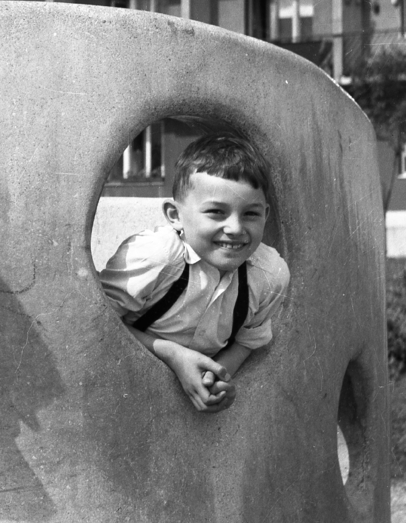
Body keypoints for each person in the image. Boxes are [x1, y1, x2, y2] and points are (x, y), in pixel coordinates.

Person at [99, 134, 290, 413]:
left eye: (250, 214)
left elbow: (250, 339)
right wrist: (173, 354)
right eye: (216, 212)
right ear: (175, 215)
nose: (235, 228)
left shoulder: (270, 275)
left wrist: (216, 377)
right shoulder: (155, 257)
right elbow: (98, 319)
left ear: (267, 214)